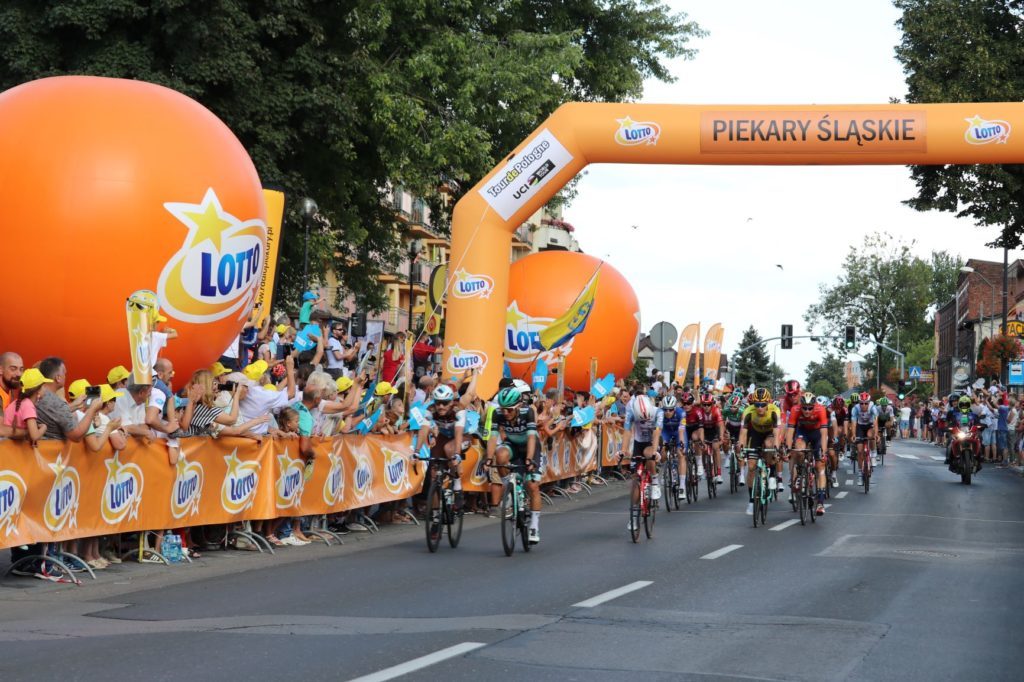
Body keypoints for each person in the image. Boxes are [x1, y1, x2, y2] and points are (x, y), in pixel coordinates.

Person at [486, 386, 543, 543]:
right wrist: (489, 459)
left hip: (531, 447)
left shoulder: (528, 412)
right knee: (500, 454)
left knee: (532, 486)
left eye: (509, 410)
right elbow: (493, 437)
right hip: (513, 445)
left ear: (518, 406)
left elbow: (532, 438)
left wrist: (530, 458)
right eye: (503, 409)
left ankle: (534, 525)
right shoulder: (498, 413)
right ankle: (509, 488)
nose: (505, 413)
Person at [622, 393, 662, 532]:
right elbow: (627, 432)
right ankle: (633, 517)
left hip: (652, 441)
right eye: (641, 420)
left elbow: (656, 433)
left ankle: (655, 481)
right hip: (639, 442)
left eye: (647, 419)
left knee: (648, 454)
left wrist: (655, 451)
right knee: (635, 479)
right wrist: (623, 450)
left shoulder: (658, 412)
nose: (644, 421)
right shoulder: (631, 411)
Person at [785, 392, 829, 516]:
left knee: (820, 466)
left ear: (814, 406)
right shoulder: (795, 409)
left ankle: (820, 502)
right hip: (802, 432)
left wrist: (824, 452)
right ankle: (799, 474)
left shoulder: (821, 410)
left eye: (810, 408)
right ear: (801, 405)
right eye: (805, 408)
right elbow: (790, 431)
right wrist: (788, 449)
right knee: (798, 450)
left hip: (817, 434)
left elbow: (824, 433)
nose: (807, 411)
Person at [4, 368, 49, 444]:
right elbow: (34, 436)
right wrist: (44, 427)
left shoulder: (20, 402)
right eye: (44, 386)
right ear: (38, 390)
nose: (46, 388)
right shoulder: (28, 406)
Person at [849, 392, 878, 485]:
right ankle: (860, 475)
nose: (864, 405)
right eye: (861, 403)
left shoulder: (873, 408)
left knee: (871, 436)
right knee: (860, 450)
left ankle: (873, 453)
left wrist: (876, 434)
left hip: (870, 426)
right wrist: (853, 434)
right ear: (859, 403)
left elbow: (875, 423)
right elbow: (853, 423)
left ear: (869, 403)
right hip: (860, 427)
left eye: (866, 403)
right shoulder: (855, 409)